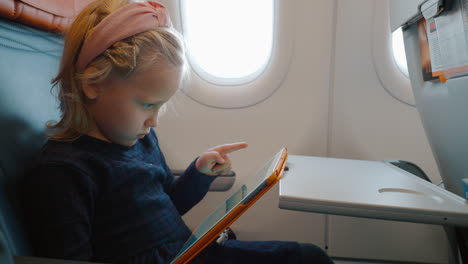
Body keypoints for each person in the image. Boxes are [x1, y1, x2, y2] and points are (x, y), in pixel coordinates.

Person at [22, 0, 334, 263]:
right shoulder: (65, 171)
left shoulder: (140, 141)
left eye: (161, 106)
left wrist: (198, 173)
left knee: (307, 256)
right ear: (92, 84)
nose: (154, 121)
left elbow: (167, 206)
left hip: (190, 252)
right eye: (147, 105)